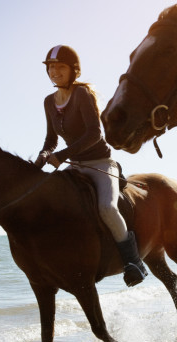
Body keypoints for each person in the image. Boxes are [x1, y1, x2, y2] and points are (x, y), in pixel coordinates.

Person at [34, 44, 149, 286]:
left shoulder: (81, 95)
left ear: (73, 70)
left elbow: (95, 134)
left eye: (60, 67)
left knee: (107, 208)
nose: (54, 72)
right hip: (75, 166)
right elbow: (50, 139)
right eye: (51, 68)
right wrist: (44, 155)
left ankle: (133, 262)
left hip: (100, 164)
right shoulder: (48, 102)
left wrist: (62, 155)